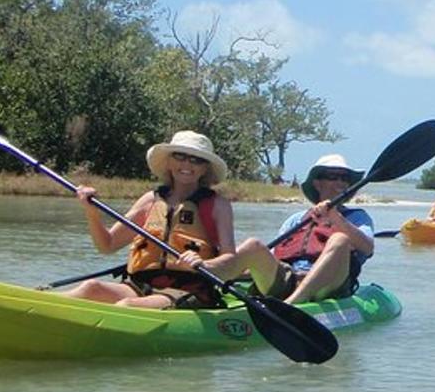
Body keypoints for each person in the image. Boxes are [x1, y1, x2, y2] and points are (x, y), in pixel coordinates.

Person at [62, 131, 236, 308]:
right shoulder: (150, 200)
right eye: (180, 156)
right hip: (141, 284)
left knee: (127, 306)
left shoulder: (218, 205)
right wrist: (92, 213)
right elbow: (107, 245)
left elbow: (229, 256)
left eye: (196, 160)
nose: (186, 164)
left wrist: (203, 264)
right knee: (91, 288)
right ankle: (38, 309)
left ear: (205, 168)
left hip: (189, 288)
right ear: (169, 161)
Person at [218, 154, 374, 305]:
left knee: (340, 239)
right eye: (333, 176)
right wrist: (245, 269)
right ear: (317, 183)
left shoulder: (357, 217)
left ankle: (292, 303)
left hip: (329, 283)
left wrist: (335, 216)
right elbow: (274, 258)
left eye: (345, 178)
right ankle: (203, 281)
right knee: (253, 246)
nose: (341, 182)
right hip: (289, 278)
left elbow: (367, 248)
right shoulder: (296, 219)